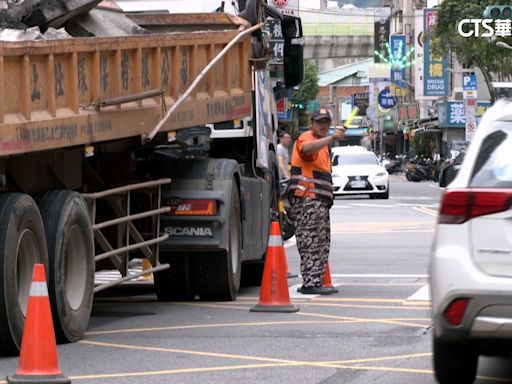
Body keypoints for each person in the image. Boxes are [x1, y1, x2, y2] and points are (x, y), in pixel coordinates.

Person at [288, 108, 346, 295]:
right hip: (307, 201)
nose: (322, 125)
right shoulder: (307, 138)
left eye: (326, 122)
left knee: (321, 243)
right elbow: (306, 149)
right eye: (319, 122)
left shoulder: (323, 146)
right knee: (311, 243)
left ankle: (316, 281)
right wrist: (332, 139)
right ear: (312, 123)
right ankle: (310, 283)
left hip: (318, 202)